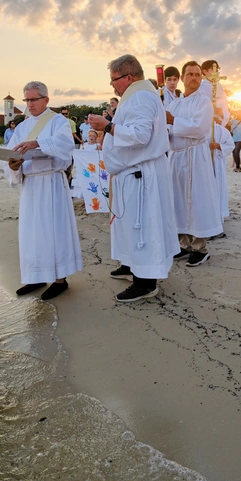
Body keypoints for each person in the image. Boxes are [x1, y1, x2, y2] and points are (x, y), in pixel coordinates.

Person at [87, 54, 179, 302]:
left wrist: (105, 125)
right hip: (131, 172)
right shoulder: (137, 94)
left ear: (128, 77)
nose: (112, 85)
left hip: (141, 174)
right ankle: (132, 265)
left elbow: (140, 135)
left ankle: (145, 281)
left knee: (143, 226)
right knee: (129, 224)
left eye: (113, 80)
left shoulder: (139, 97)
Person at [5, 82, 83, 300]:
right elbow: (11, 152)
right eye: (27, 100)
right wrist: (12, 166)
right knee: (32, 232)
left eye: (34, 99)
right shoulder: (21, 127)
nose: (30, 104)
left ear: (46, 100)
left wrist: (36, 142)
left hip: (51, 184)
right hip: (30, 185)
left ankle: (60, 280)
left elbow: (65, 145)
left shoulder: (58, 122)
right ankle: (36, 275)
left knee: (52, 230)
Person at [166, 61, 223, 266]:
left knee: (197, 200)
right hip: (177, 157)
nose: (194, 78)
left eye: (198, 75)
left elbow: (199, 129)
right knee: (178, 201)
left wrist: (173, 122)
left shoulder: (203, 102)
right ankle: (183, 244)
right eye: (190, 74)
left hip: (195, 157)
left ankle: (200, 247)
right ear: (183, 78)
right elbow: (167, 129)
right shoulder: (175, 103)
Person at [211, 111, 235, 222]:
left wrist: (218, 146)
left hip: (217, 161)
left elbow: (230, 145)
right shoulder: (203, 130)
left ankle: (218, 216)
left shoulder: (222, 130)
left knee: (217, 188)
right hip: (206, 162)